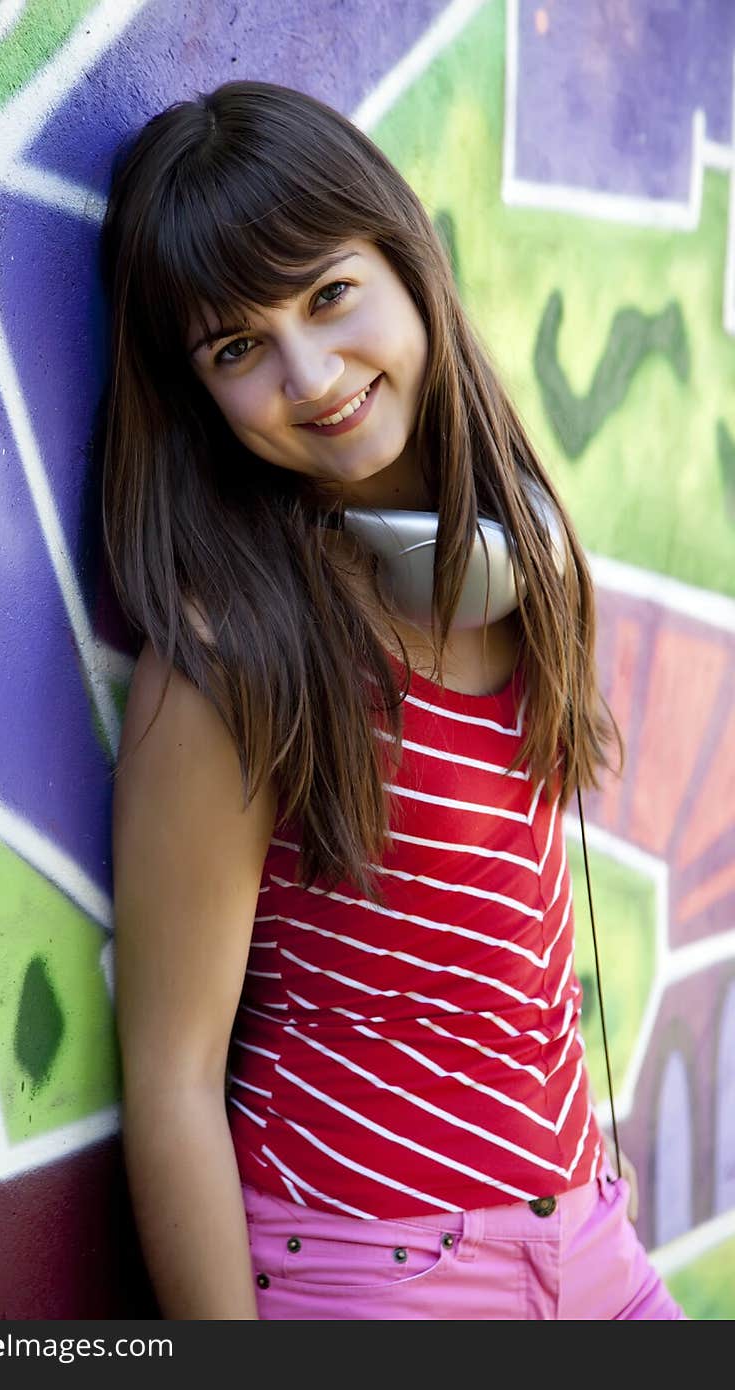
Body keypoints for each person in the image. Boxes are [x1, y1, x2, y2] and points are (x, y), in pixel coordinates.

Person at [100, 80, 685, 1320]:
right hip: (380, 1273)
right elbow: (171, 1080)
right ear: (195, 391)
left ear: (406, 266)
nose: (310, 374)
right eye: (237, 347)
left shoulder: (510, 566)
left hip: (587, 1241)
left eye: (326, 295)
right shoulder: (230, 661)